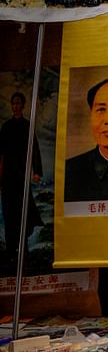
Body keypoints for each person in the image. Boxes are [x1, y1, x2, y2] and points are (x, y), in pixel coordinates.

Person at [0, 92, 43, 262]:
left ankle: (24, 248)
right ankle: (11, 249)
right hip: (7, 177)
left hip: (22, 177)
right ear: (11, 106)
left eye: (18, 103)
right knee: (9, 213)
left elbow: (35, 150)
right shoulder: (6, 127)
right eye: (13, 103)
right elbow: (0, 154)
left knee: (24, 212)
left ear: (23, 106)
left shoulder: (27, 126)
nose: (16, 106)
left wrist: (37, 171)